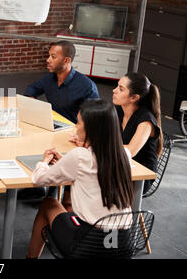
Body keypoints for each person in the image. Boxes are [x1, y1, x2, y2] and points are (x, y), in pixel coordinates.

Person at [27, 99, 134, 258]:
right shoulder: (125, 154)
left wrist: (44, 162)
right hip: (122, 244)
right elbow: (95, 170)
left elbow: (38, 179)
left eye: (78, 123)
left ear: (91, 129)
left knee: (48, 204)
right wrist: (66, 161)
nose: (75, 127)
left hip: (90, 245)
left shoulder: (80, 157)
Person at [24, 40, 99, 124]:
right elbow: (32, 88)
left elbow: (92, 119)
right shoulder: (49, 77)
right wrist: (31, 101)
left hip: (73, 131)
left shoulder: (87, 86)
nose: (48, 60)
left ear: (66, 60)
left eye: (53, 57)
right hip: (52, 123)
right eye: (49, 56)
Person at [112, 72, 162, 193]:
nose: (114, 90)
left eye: (121, 89)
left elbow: (130, 151)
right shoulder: (118, 110)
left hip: (140, 175)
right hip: (120, 164)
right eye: (117, 86)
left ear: (134, 97)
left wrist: (99, 146)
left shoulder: (146, 121)